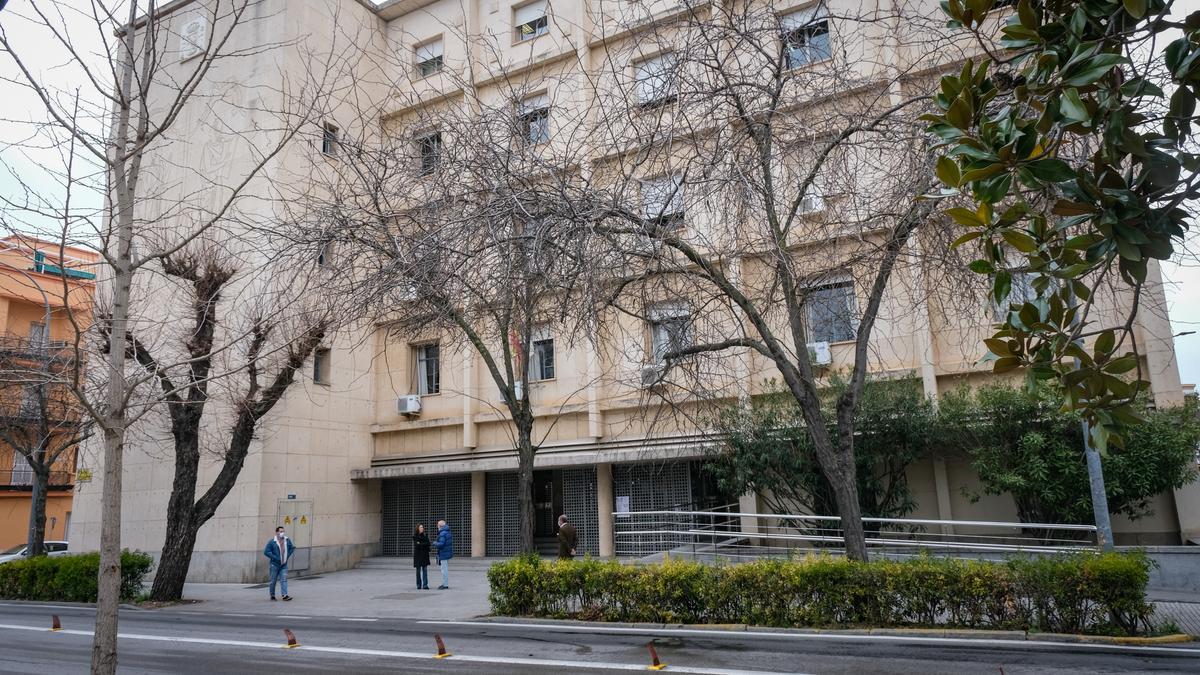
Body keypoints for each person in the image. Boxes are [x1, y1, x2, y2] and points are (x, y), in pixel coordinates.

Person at [263, 525, 295, 601]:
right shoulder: (272, 542)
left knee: (283, 580)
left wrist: (287, 556)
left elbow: (292, 548)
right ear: (277, 532)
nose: (282, 533)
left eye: (283, 531)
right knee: (273, 581)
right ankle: (272, 595)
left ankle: (285, 595)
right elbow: (266, 552)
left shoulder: (287, 540)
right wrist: (275, 558)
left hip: (283, 565)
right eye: (281, 531)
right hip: (274, 565)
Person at [431, 519, 453, 589]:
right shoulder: (447, 532)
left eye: (437, 525)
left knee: (444, 570)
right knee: (445, 569)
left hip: (443, 553)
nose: (437, 526)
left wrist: (435, 543)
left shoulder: (442, 533)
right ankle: (445, 583)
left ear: (440, 526)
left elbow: (441, 544)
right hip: (446, 553)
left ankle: (445, 584)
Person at [412, 523, 431, 590]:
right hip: (418, 555)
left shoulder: (425, 535)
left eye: (422, 527)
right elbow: (417, 545)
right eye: (420, 527)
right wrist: (424, 544)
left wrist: (421, 544)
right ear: (417, 528)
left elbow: (428, 543)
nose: (422, 528)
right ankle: (418, 584)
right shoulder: (415, 536)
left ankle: (425, 585)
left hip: (425, 555)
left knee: (425, 570)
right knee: (418, 571)